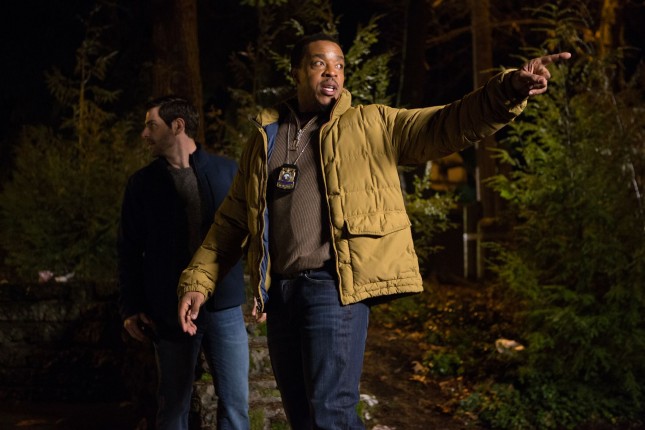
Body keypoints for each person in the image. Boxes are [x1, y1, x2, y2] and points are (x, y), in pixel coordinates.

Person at [176, 33, 571, 429]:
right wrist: (198, 282)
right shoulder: (267, 138)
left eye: (339, 65)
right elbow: (233, 220)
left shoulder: (373, 123)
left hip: (333, 287)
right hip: (280, 294)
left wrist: (508, 89)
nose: (332, 72)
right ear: (296, 71)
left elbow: (447, 123)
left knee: (331, 414)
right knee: (302, 417)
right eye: (319, 63)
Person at [118, 96, 250, 430]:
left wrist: (265, 286)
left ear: (177, 126)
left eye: (152, 126)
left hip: (224, 306)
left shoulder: (227, 171)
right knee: (173, 405)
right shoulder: (142, 184)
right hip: (169, 310)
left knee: (236, 405)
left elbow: (252, 231)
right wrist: (131, 306)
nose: (144, 134)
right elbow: (129, 250)